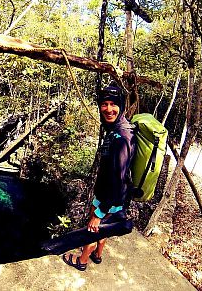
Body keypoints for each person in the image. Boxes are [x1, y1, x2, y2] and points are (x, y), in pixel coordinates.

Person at [61, 81, 136, 271]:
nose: (108, 109)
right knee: (103, 228)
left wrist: (99, 212)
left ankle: (82, 260)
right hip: (116, 198)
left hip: (108, 198)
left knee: (93, 227)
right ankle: (98, 254)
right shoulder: (119, 129)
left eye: (113, 104)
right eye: (104, 104)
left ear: (121, 105)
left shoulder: (121, 137)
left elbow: (117, 179)